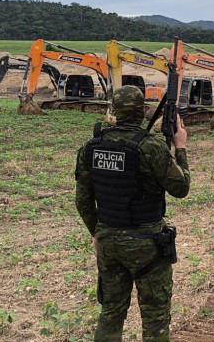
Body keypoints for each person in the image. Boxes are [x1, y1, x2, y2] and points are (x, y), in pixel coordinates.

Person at [75, 85, 190, 342]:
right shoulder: (151, 147)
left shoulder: (91, 148)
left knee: (111, 312)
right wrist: (179, 147)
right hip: (147, 244)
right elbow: (180, 188)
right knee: (155, 317)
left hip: (108, 242)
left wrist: (97, 232)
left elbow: (82, 202)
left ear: (114, 111)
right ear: (141, 113)